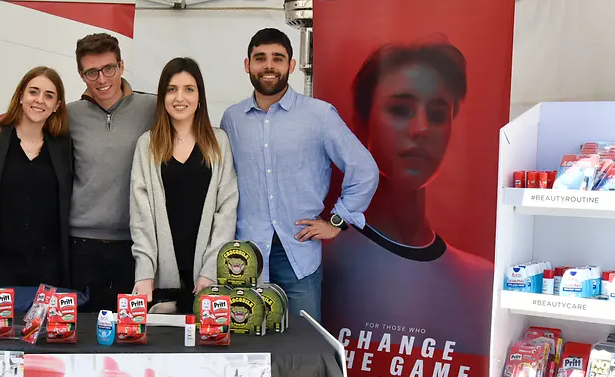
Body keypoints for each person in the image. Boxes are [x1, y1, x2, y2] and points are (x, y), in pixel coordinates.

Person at [321, 40, 493, 357]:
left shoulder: (483, 283)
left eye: (439, 114)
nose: (421, 128)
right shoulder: (322, 263)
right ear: (360, 123)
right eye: (400, 110)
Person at [220, 28, 379, 321]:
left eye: (277, 58)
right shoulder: (231, 119)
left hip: (298, 252)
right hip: (246, 257)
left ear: (291, 66)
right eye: (260, 58)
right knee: (250, 350)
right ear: (247, 65)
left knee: (304, 349)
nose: (269, 66)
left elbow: (365, 169)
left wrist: (338, 221)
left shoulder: (319, 115)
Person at [130, 57, 238, 313]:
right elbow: (140, 215)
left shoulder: (218, 142)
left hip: (205, 278)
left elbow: (227, 210)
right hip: (160, 279)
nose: (180, 97)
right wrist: (144, 271)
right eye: (171, 89)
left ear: (199, 96)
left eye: (189, 89)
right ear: (162, 97)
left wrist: (211, 270)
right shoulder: (147, 145)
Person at [67, 33, 157, 312]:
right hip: (80, 244)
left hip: (135, 243)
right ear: (81, 74)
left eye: (109, 68)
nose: (102, 79)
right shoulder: (68, 115)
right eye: (92, 72)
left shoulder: (152, 108)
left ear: (121, 65)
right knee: (78, 334)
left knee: (130, 334)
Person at [0, 66, 72, 295]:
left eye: (49, 95)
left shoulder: (65, 146)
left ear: (57, 106)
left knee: (44, 331)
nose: (39, 100)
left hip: (49, 264)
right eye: (33, 92)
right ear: (21, 95)